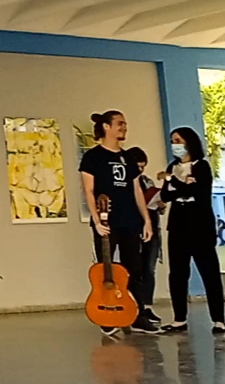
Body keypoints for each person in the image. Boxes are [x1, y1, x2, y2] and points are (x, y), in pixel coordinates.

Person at [79, 111, 157, 335]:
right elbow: (89, 190)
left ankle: (137, 314)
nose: (124, 127)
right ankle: (107, 314)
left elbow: (136, 190)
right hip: (106, 222)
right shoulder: (93, 157)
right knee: (106, 270)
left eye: (125, 124)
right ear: (106, 126)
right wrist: (96, 219)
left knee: (134, 269)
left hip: (130, 221)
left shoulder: (128, 158)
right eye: (120, 123)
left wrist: (146, 221)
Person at [158, 126, 225, 334]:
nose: (174, 145)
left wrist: (173, 181)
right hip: (178, 225)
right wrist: (180, 184)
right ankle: (179, 318)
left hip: (200, 227)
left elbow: (198, 192)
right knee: (178, 273)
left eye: (178, 140)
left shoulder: (202, 166)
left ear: (189, 142)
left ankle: (218, 319)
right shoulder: (173, 166)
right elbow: (166, 196)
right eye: (172, 141)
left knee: (209, 272)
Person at [125, 146, 165, 326]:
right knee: (134, 270)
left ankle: (147, 306)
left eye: (143, 166)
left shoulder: (147, 181)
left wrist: (160, 203)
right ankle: (133, 306)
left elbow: (156, 201)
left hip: (152, 228)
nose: (141, 170)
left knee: (149, 268)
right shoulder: (127, 184)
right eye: (138, 166)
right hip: (134, 229)